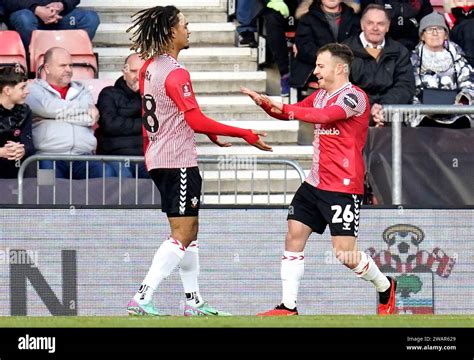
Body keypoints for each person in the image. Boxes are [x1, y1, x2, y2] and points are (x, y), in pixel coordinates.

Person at [125, 5, 272, 317]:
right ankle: (142, 296)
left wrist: (212, 135)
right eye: (184, 25)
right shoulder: (176, 73)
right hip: (176, 160)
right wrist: (244, 132)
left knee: (189, 234)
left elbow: (171, 114)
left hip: (160, 156)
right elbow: (195, 120)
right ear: (170, 32)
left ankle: (194, 302)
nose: (188, 29)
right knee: (181, 234)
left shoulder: (149, 67)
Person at [242, 43, 397, 316]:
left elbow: (325, 116)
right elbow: (293, 111)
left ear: (340, 68)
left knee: (345, 254)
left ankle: (385, 286)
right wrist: (266, 105)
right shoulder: (320, 95)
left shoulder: (355, 97)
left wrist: (286, 109)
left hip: (342, 186)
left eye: (320, 66)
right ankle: (288, 306)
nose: (315, 71)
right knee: (293, 235)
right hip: (314, 182)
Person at [26, 47, 102, 179]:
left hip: (83, 156)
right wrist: (83, 108)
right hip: (47, 156)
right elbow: (47, 108)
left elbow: (90, 119)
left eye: (70, 65)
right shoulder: (33, 89)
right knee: (47, 188)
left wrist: (51, 116)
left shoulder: (82, 90)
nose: (68, 69)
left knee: (108, 175)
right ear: (47, 68)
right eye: (63, 65)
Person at [343, 4, 415, 126]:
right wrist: (369, 108)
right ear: (362, 25)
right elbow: (342, 88)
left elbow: (405, 86)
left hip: (390, 113)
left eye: (381, 24)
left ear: (387, 27)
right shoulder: (344, 51)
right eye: (370, 23)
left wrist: (383, 107)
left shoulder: (400, 51)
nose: (375, 28)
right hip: (354, 115)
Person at [409, 12, 473, 128]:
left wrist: (462, 101)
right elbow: (408, 88)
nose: (435, 33)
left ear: (446, 35)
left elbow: (469, 83)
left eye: (439, 29)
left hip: (456, 114)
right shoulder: (412, 60)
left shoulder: (458, 57)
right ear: (422, 36)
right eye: (429, 29)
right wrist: (423, 108)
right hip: (423, 115)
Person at [96, 53, 149, 178]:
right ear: (124, 73)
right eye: (133, 71)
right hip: (116, 156)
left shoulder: (153, 97)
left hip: (147, 158)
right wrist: (144, 124)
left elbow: (160, 126)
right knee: (124, 182)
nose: (138, 77)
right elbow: (110, 125)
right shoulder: (108, 93)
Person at [291, 0, 360, 89]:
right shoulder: (307, 18)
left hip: (347, 68)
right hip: (316, 68)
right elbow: (305, 48)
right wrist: (330, 60)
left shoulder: (353, 18)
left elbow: (357, 45)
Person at [5, 0, 100, 50]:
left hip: (59, 15)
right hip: (28, 14)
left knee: (90, 18)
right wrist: (36, 9)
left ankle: (70, 59)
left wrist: (62, 5)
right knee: (24, 18)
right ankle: (34, 58)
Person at [0, 66, 35, 178]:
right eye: (22, 88)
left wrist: (22, 150)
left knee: (31, 166)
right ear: (7, 91)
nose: (27, 91)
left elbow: (29, 143)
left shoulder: (25, 111)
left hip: (15, 167)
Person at [360, 0, 433, 51]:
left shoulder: (421, 2)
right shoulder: (373, 1)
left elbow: (428, 24)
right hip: (381, 47)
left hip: (413, 47)